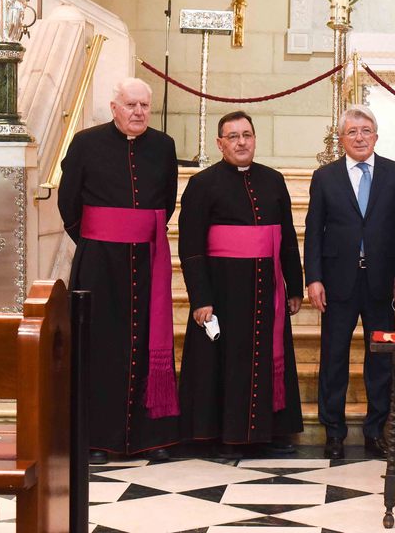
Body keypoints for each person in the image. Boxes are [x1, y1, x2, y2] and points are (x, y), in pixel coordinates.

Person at [58, 77, 179, 465]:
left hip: (147, 258)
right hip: (99, 262)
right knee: (101, 346)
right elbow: (68, 203)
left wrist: (136, 233)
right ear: (114, 108)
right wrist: (97, 241)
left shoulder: (164, 146)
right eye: (130, 105)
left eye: (144, 105)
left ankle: (151, 436)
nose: (139, 112)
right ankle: (99, 439)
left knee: (147, 341)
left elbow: (167, 202)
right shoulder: (86, 143)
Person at [177, 111, 304, 457]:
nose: (241, 142)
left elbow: (287, 238)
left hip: (267, 289)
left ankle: (271, 432)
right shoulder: (202, 184)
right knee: (226, 363)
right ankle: (225, 435)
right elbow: (190, 248)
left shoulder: (273, 180)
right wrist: (200, 298)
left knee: (267, 357)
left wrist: (295, 286)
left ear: (254, 139)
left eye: (246, 135)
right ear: (219, 143)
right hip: (223, 292)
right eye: (232, 137)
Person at [305, 105, 395, 459]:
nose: (359, 137)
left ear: (376, 136)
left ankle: (375, 430)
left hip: (382, 281)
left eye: (366, 130)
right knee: (334, 358)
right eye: (352, 132)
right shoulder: (325, 177)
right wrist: (314, 278)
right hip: (337, 282)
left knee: (380, 361)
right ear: (341, 139)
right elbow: (314, 233)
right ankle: (333, 433)